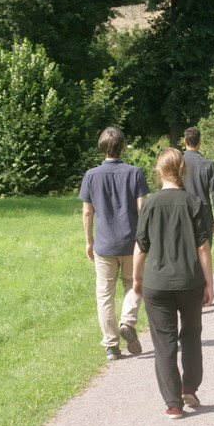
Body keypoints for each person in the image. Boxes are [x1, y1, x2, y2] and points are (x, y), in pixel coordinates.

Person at [133, 148, 214, 420]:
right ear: (183, 170)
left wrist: (137, 278)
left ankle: (173, 403)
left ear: (159, 170)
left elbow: (140, 246)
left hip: (157, 283)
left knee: (164, 342)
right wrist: (209, 284)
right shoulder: (194, 203)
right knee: (191, 334)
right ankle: (189, 387)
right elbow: (203, 248)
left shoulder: (150, 204)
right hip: (190, 280)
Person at [79, 127, 150, 361]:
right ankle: (127, 321)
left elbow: (87, 213)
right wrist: (146, 237)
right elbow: (143, 208)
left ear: (102, 148)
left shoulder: (91, 175)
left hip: (104, 245)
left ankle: (111, 345)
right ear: (122, 147)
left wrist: (89, 241)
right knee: (134, 283)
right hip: (131, 243)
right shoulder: (135, 172)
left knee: (104, 294)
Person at [183, 126, 214, 245]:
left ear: (184, 142)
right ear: (199, 142)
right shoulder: (208, 164)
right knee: (204, 252)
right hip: (203, 214)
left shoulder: (177, 162)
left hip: (183, 211)